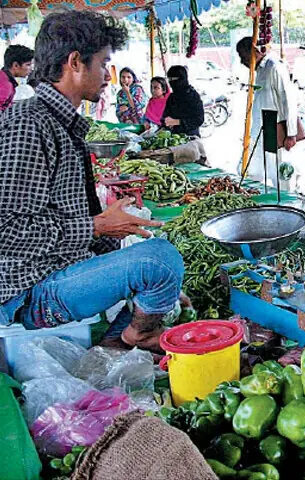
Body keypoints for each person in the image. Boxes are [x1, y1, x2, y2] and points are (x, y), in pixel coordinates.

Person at [0, 11, 184, 352]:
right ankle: (137, 335)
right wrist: (95, 227)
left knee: (154, 266)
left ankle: (125, 334)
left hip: (59, 269)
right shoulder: (29, 125)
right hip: (27, 291)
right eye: (104, 64)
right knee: (159, 260)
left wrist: (150, 287)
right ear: (75, 62)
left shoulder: (60, 123)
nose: (108, 76)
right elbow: (6, 230)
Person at [236, 38, 299, 186]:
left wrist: (291, 133)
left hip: (274, 126)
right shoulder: (260, 70)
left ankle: (286, 202)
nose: (242, 61)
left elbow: (288, 100)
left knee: (279, 171)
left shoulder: (274, 67)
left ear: (254, 52)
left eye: (243, 56)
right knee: (251, 170)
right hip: (260, 127)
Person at [161, 65, 204, 137]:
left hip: (191, 138)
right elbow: (165, 116)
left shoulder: (193, 96)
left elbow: (199, 119)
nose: (171, 83)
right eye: (169, 79)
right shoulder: (172, 97)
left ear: (182, 79)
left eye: (174, 79)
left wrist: (177, 122)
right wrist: (167, 122)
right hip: (174, 138)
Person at [0, 45, 34, 112]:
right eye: (28, 65)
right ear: (16, 65)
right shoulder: (6, 85)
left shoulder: (3, 77)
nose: (31, 69)